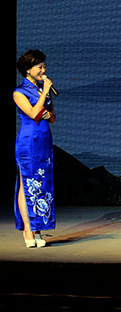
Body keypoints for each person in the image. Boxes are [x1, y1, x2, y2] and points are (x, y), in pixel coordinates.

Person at [13, 49, 56, 248]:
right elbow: (32, 113)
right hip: (29, 141)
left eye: (44, 66)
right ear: (28, 69)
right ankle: (28, 230)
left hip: (44, 140)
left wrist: (49, 115)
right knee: (27, 183)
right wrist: (45, 92)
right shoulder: (19, 92)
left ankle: (38, 229)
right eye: (39, 67)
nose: (43, 70)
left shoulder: (41, 90)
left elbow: (52, 117)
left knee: (42, 183)